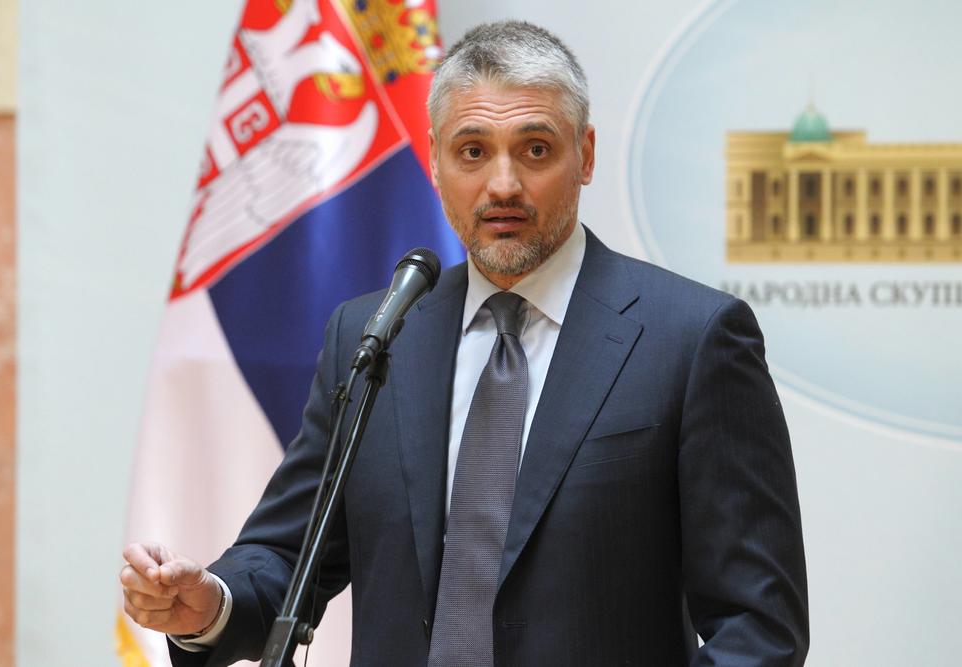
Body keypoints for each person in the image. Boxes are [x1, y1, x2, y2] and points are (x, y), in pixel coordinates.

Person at [121, 20, 810, 666]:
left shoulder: (691, 339)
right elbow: (289, 553)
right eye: (472, 151)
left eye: (535, 150)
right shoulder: (374, 335)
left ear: (585, 155)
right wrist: (210, 604)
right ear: (435, 162)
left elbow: (758, 624)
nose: (502, 185)